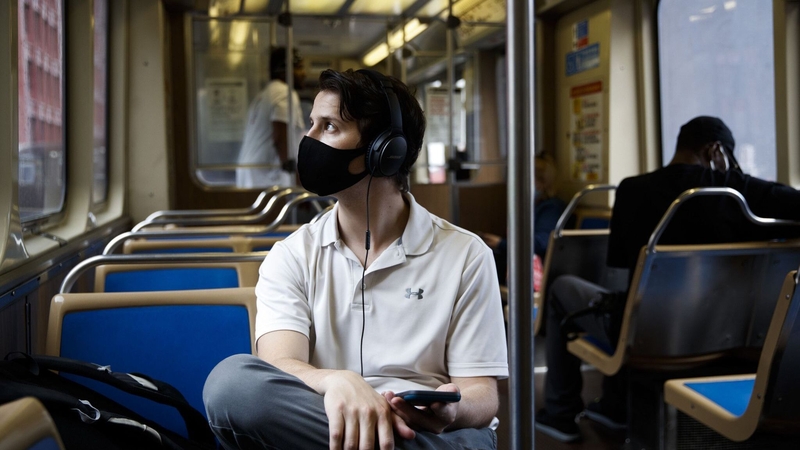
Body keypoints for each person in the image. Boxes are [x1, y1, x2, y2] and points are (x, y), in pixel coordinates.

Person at [204, 68, 509, 450]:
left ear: (386, 151)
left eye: (328, 126)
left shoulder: (465, 255)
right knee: (231, 383)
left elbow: (482, 394)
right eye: (311, 124)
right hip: (328, 420)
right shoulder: (292, 256)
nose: (308, 139)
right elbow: (281, 364)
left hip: (427, 434)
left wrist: (453, 411)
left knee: (472, 439)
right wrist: (336, 381)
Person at [534, 116, 800, 443]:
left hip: (648, 334)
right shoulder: (741, 195)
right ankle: (614, 407)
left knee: (565, 288)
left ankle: (561, 413)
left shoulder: (633, 189)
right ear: (715, 150)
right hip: (729, 338)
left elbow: (620, 268)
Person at [481, 154, 566, 286]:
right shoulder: (531, 206)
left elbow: (541, 243)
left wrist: (500, 243)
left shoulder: (551, 208)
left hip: (537, 266)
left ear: (542, 183)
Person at [236, 47, 307, 188]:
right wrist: (297, 179)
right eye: (299, 68)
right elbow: (280, 136)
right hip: (266, 176)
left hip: (250, 173)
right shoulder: (285, 93)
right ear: (284, 70)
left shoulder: (265, 94)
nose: (304, 74)